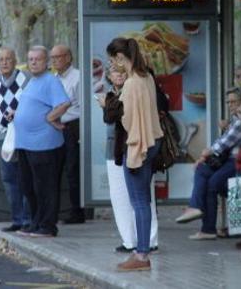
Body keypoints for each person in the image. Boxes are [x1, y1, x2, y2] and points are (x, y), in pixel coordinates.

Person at [106, 38, 163, 272]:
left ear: (121, 58)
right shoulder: (147, 77)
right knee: (144, 202)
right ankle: (142, 251)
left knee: (138, 202)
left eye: (113, 60)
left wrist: (107, 105)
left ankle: (141, 255)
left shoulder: (131, 84)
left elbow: (127, 120)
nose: (113, 65)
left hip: (138, 144)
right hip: (153, 140)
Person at [175, 87, 241, 240]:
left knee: (212, 183)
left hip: (239, 161)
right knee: (202, 169)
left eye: (233, 101)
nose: (230, 105)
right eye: (228, 102)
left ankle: (205, 224)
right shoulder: (235, 119)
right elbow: (223, 142)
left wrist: (206, 153)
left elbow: (223, 144)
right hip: (228, 159)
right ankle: (196, 210)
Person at [99, 67, 159, 253]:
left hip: (136, 148)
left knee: (142, 195)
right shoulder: (110, 94)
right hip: (114, 150)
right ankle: (129, 240)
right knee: (119, 196)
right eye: (114, 72)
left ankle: (150, 240)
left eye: (121, 71)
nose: (118, 74)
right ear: (108, 76)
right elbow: (109, 121)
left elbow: (118, 117)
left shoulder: (136, 89)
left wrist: (107, 107)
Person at [14, 45, 70, 238]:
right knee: (28, 186)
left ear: (46, 62)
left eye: (38, 59)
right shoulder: (31, 81)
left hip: (44, 144)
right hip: (25, 143)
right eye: (30, 59)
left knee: (45, 186)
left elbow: (64, 103)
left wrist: (49, 118)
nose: (34, 62)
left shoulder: (50, 81)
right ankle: (36, 221)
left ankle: (47, 226)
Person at [0, 47, 31, 232]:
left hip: (24, 136)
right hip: (3, 136)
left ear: (15, 61)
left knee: (25, 177)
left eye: (8, 59)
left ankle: (29, 219)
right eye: (1, 60)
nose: (4, 62)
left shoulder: (26, 79)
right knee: (9, 178)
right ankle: (17, 219)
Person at [51, 45, 85, 224]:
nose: (55, 60)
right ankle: (53, 211)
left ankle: (77, 211)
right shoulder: (53, 78)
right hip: (54, 127)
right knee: (54, 170)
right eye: (53, 57)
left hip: (73, 126)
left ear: (68, 58)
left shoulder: (78, 77)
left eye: (58, 57)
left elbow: (83, 106)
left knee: (73, 170)